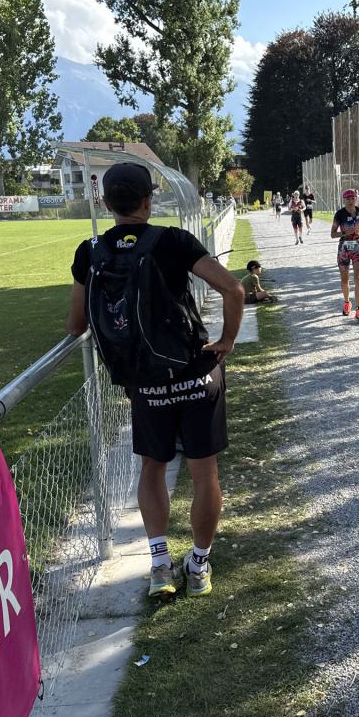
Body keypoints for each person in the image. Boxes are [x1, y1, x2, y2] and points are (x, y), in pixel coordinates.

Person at [66, 162, 244, 599]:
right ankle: (198, 566)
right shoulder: (173, 240)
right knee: (204, 473)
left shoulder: (89, 252)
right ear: (149, 200)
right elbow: (234, 290)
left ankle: (160, 565)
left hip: (144, 381)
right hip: (195, 374)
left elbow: (75, 325)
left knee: (152, 468)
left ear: (106, 203)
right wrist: (226, 340)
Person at [331, 188, 359, 320]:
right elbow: (332, 234)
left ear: (356, 199)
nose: (350, 201)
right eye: (347, 199)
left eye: (352, 198)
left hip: (357, 247)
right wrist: (344, 232)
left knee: (358, 278)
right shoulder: (339, 214)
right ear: (344, 200)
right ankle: (347, 302)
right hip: (344, 249)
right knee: (345, 280)